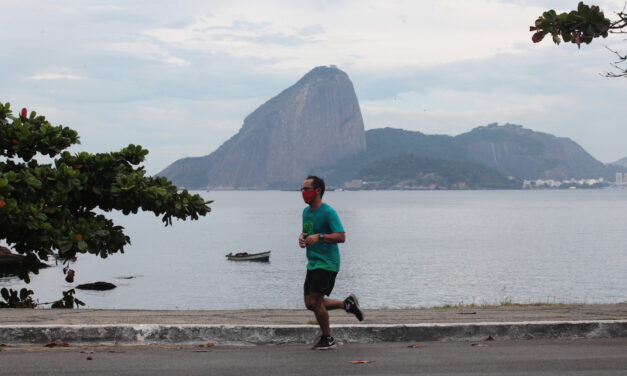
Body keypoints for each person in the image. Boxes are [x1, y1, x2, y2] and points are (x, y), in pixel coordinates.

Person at [298, 175, 363, 350]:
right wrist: (302, 238)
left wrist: (319, 237)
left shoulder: (328, 212)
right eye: (302, 189)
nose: (303, 192)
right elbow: (306, 232)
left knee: (317, 301)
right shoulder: (306, 212)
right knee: (310, 303)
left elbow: (341, 236)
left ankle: (327, 339)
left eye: (306, 189)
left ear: (317, 191)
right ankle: (347, 304)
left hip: (327, 262)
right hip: (312, 262)